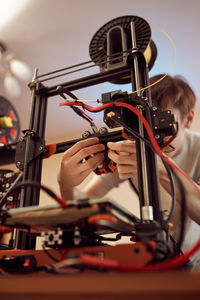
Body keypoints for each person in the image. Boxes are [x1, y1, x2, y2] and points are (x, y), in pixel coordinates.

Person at [57, 74, 200, 267]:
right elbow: (82, 200)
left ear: (188, 119)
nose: (152, 138)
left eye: (164, 127)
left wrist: (159, 167)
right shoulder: (131, 147)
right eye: (146, 127)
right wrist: (66, 184)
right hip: (157, 260)